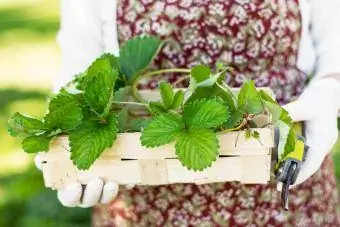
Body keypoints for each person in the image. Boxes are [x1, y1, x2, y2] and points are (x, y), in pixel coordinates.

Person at [39, 0, 340, 225]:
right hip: (142, 202)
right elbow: (80, 71)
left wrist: (328, 94)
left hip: (286, 186)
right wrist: (68, 154)